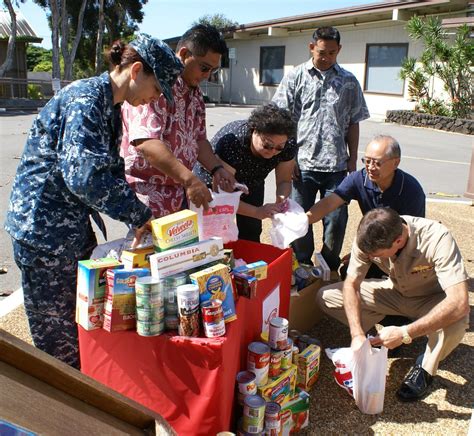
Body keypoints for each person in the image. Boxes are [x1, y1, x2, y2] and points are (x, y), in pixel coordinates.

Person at [4, 34, 183, 369]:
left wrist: (137, 215)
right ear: (136, 70)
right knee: (59, 343)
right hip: (44, 235)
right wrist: (138, 213)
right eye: (158, 88)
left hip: (67, 229)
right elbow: (85, 177)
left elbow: (104, 173)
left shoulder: (108, 105)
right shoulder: (86, 99)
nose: (155, 99)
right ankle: (62, 412)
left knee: (83, 321)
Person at [317, 208, 470, 401]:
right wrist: (357, 334)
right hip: (395, 292)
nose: (371, 256)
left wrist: (405, 334)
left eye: (376, 255)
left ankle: (425, 368)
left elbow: (459, 302)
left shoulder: (437, 237)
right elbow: (352, 284)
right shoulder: (368, 237)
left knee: (457, 322)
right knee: (327, 296)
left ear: (398, 241)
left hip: (430, 300)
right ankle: (378, 337)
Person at [272, 26, 369, 272]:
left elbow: (353, 122)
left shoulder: (349, 82)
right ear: (311, 47)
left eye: (332, 53)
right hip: (300, 165)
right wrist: (287, 157)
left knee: (336, 220)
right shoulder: (295, 77)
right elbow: (280, 120)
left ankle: (327, 265)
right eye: (322, 52)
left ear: (339, 51)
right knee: (298, 217)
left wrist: (352, 158)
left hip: (336, 166)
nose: (326, 57)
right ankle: (303, 264)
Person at [121, 24, 235, 218]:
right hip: (148, 193)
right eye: (204, 68)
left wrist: (216, 168)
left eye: (213, 71)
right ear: (183, 54)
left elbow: (199, 140)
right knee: (150, 248)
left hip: (180, 190)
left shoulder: (196, 95)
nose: (207, 76)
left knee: (184, 248)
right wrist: (190, 180)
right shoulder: (154, 86)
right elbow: (147, 143)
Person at [307, 134, 425, 282]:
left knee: (402, 281)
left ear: (396, 163)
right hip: (376, 248)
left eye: (377, 163)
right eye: (367, 161)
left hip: (401, 250)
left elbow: (411, 236)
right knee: (347, 272)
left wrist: (370, 254)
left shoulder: (411, 190)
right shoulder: (359, 179)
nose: (370, 167)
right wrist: (303, 220)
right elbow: (330, 203)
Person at [195, 104, 297, 242]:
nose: (273, 152)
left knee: (251, 230)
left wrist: (281, 200)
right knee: (216, 231)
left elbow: (284, 181)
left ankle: (249, 260)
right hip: (213, 182)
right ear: (254, 130)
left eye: (279, 148)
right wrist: (257, 211)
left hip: (253, 180)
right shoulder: (233, 142)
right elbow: (224, 195)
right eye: (267, 145)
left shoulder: (288, 143)